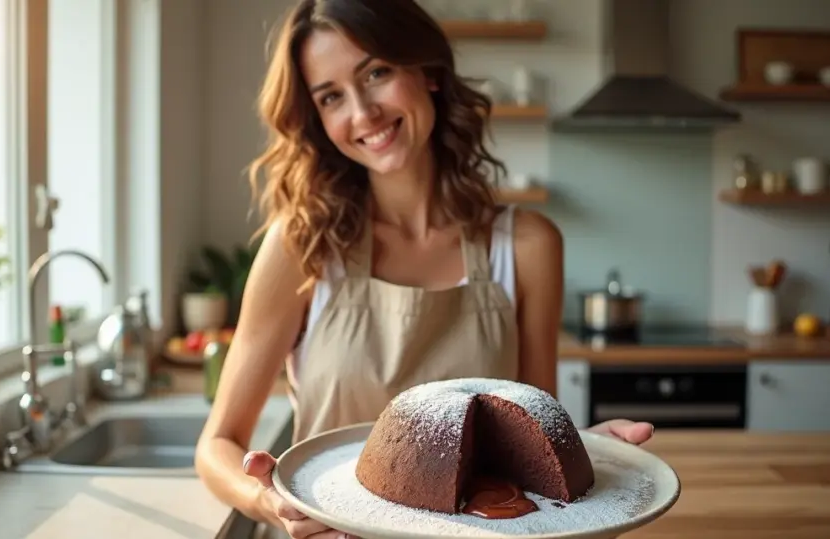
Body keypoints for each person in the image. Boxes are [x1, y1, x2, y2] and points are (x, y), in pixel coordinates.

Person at [195, 1, 655, 538]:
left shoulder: (527, 247)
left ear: (428, 72)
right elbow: (217, 444)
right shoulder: (303, 246)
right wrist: (270, 500)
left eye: (377, 73)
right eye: (331, 96)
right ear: (317, 119)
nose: (363, 113)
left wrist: (591, 458)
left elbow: (527, 437)